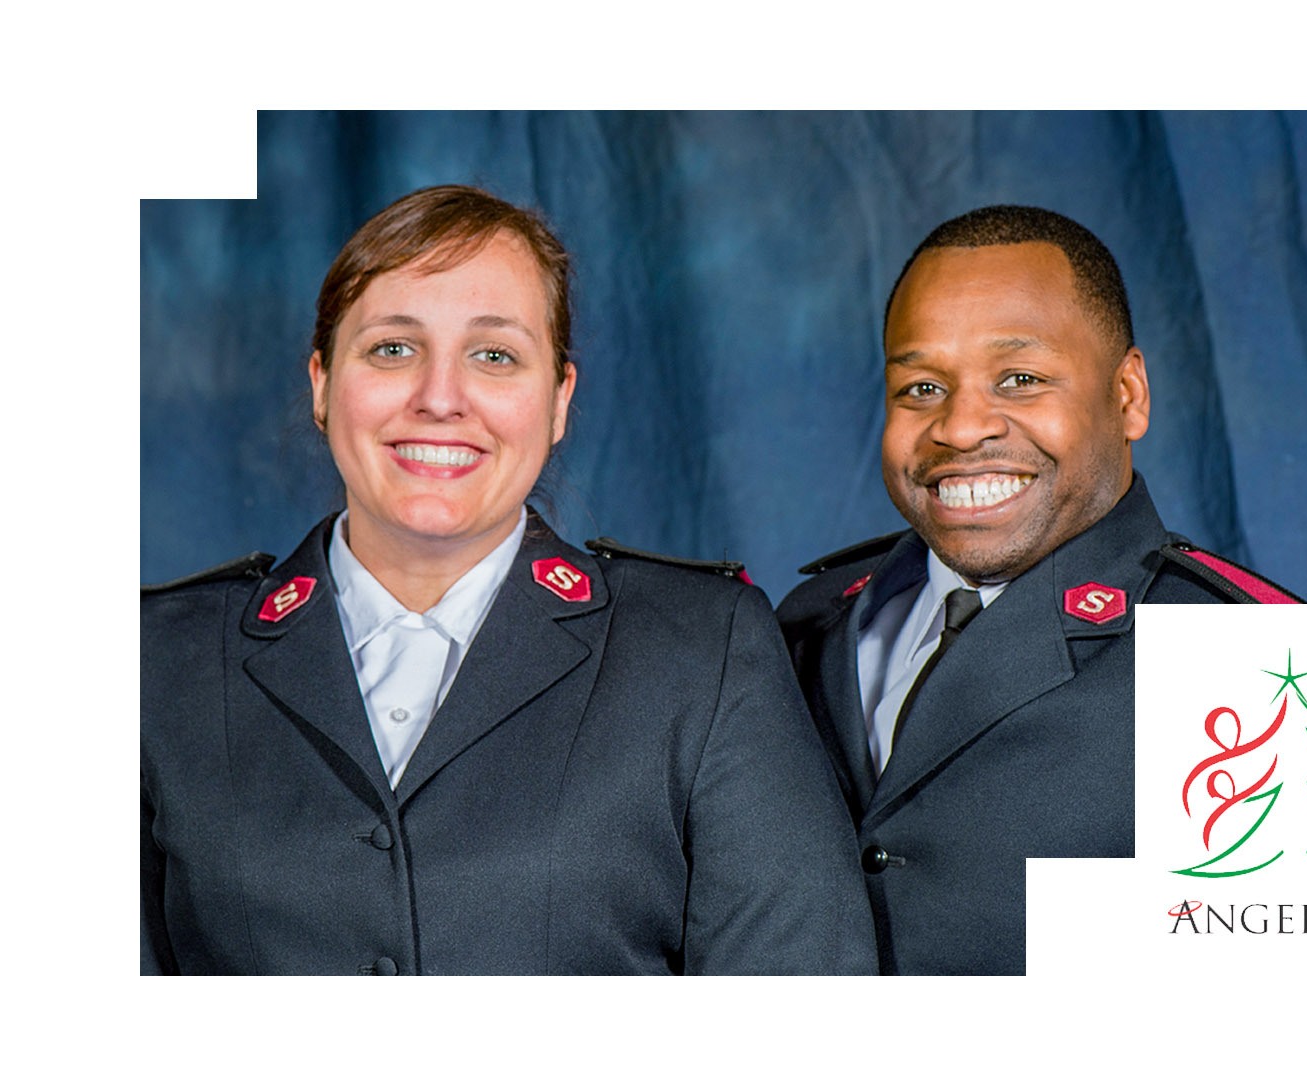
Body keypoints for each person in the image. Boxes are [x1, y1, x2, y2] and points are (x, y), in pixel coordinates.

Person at [141, 185, 876, 975]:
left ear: (559, 399)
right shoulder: (157, 663)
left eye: (494, 355)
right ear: (322, 382)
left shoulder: (702, 651)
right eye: (393, 348)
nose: (440, 398)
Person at [777, 205, 1303, 975]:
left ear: (1128, 396)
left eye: (1019, 379)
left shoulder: (1267, 663)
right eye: (921, 386)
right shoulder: (810, 624)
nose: (960, 427)